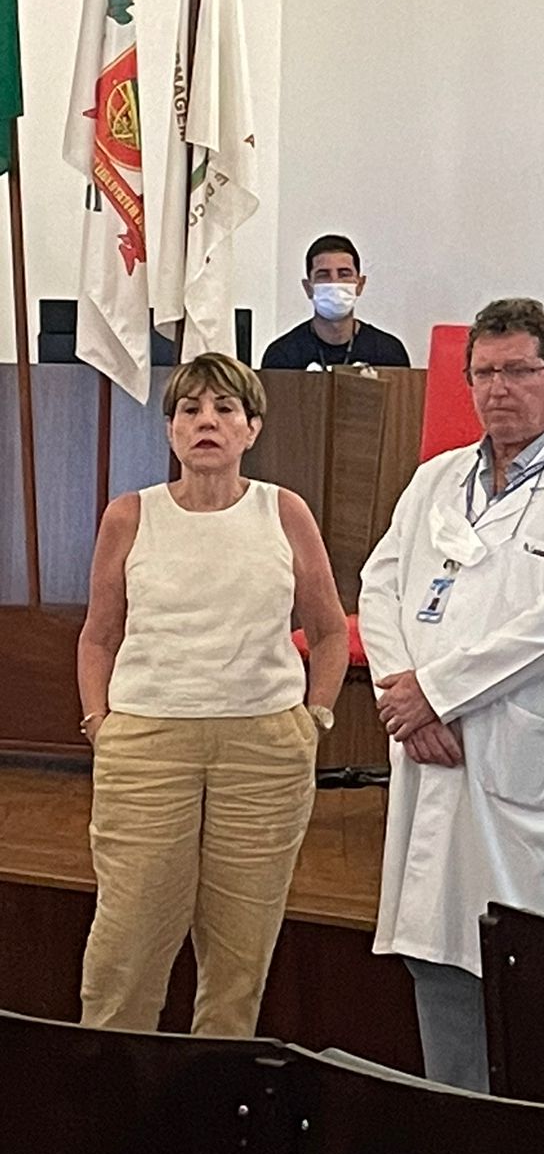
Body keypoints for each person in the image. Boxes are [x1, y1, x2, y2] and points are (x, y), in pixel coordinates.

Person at [357, 297, 544, 1090]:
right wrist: (404, 696)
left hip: (525, 756)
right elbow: (380, 588)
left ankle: (536, 1134)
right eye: (483, 373)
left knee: (529, 967)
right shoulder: (436, 481)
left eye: (517, 370)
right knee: (434, 951)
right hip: (430, 747)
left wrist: (437, 693)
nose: (498, 389)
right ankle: (455, 1121)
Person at [76, 353, 348, 1037]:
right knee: (126, 943)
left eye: (225, 409)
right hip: (147, 745)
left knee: (239, 953)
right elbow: (99, 635)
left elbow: (329, 630)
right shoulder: (129, 515)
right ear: (170, 428)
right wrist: (100, 723)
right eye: (190, 409)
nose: (207, 422)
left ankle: (215, 1094)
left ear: (251, 428)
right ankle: (111, 1087)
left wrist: (315, 718)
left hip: (264, 749)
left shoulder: (284, 511)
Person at [260, 234, 411, 370]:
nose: (334, 282)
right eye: (323, 275)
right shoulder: (282, 355)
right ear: (308, 288)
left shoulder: (389, 352)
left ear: (360, 285)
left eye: (344, 274)